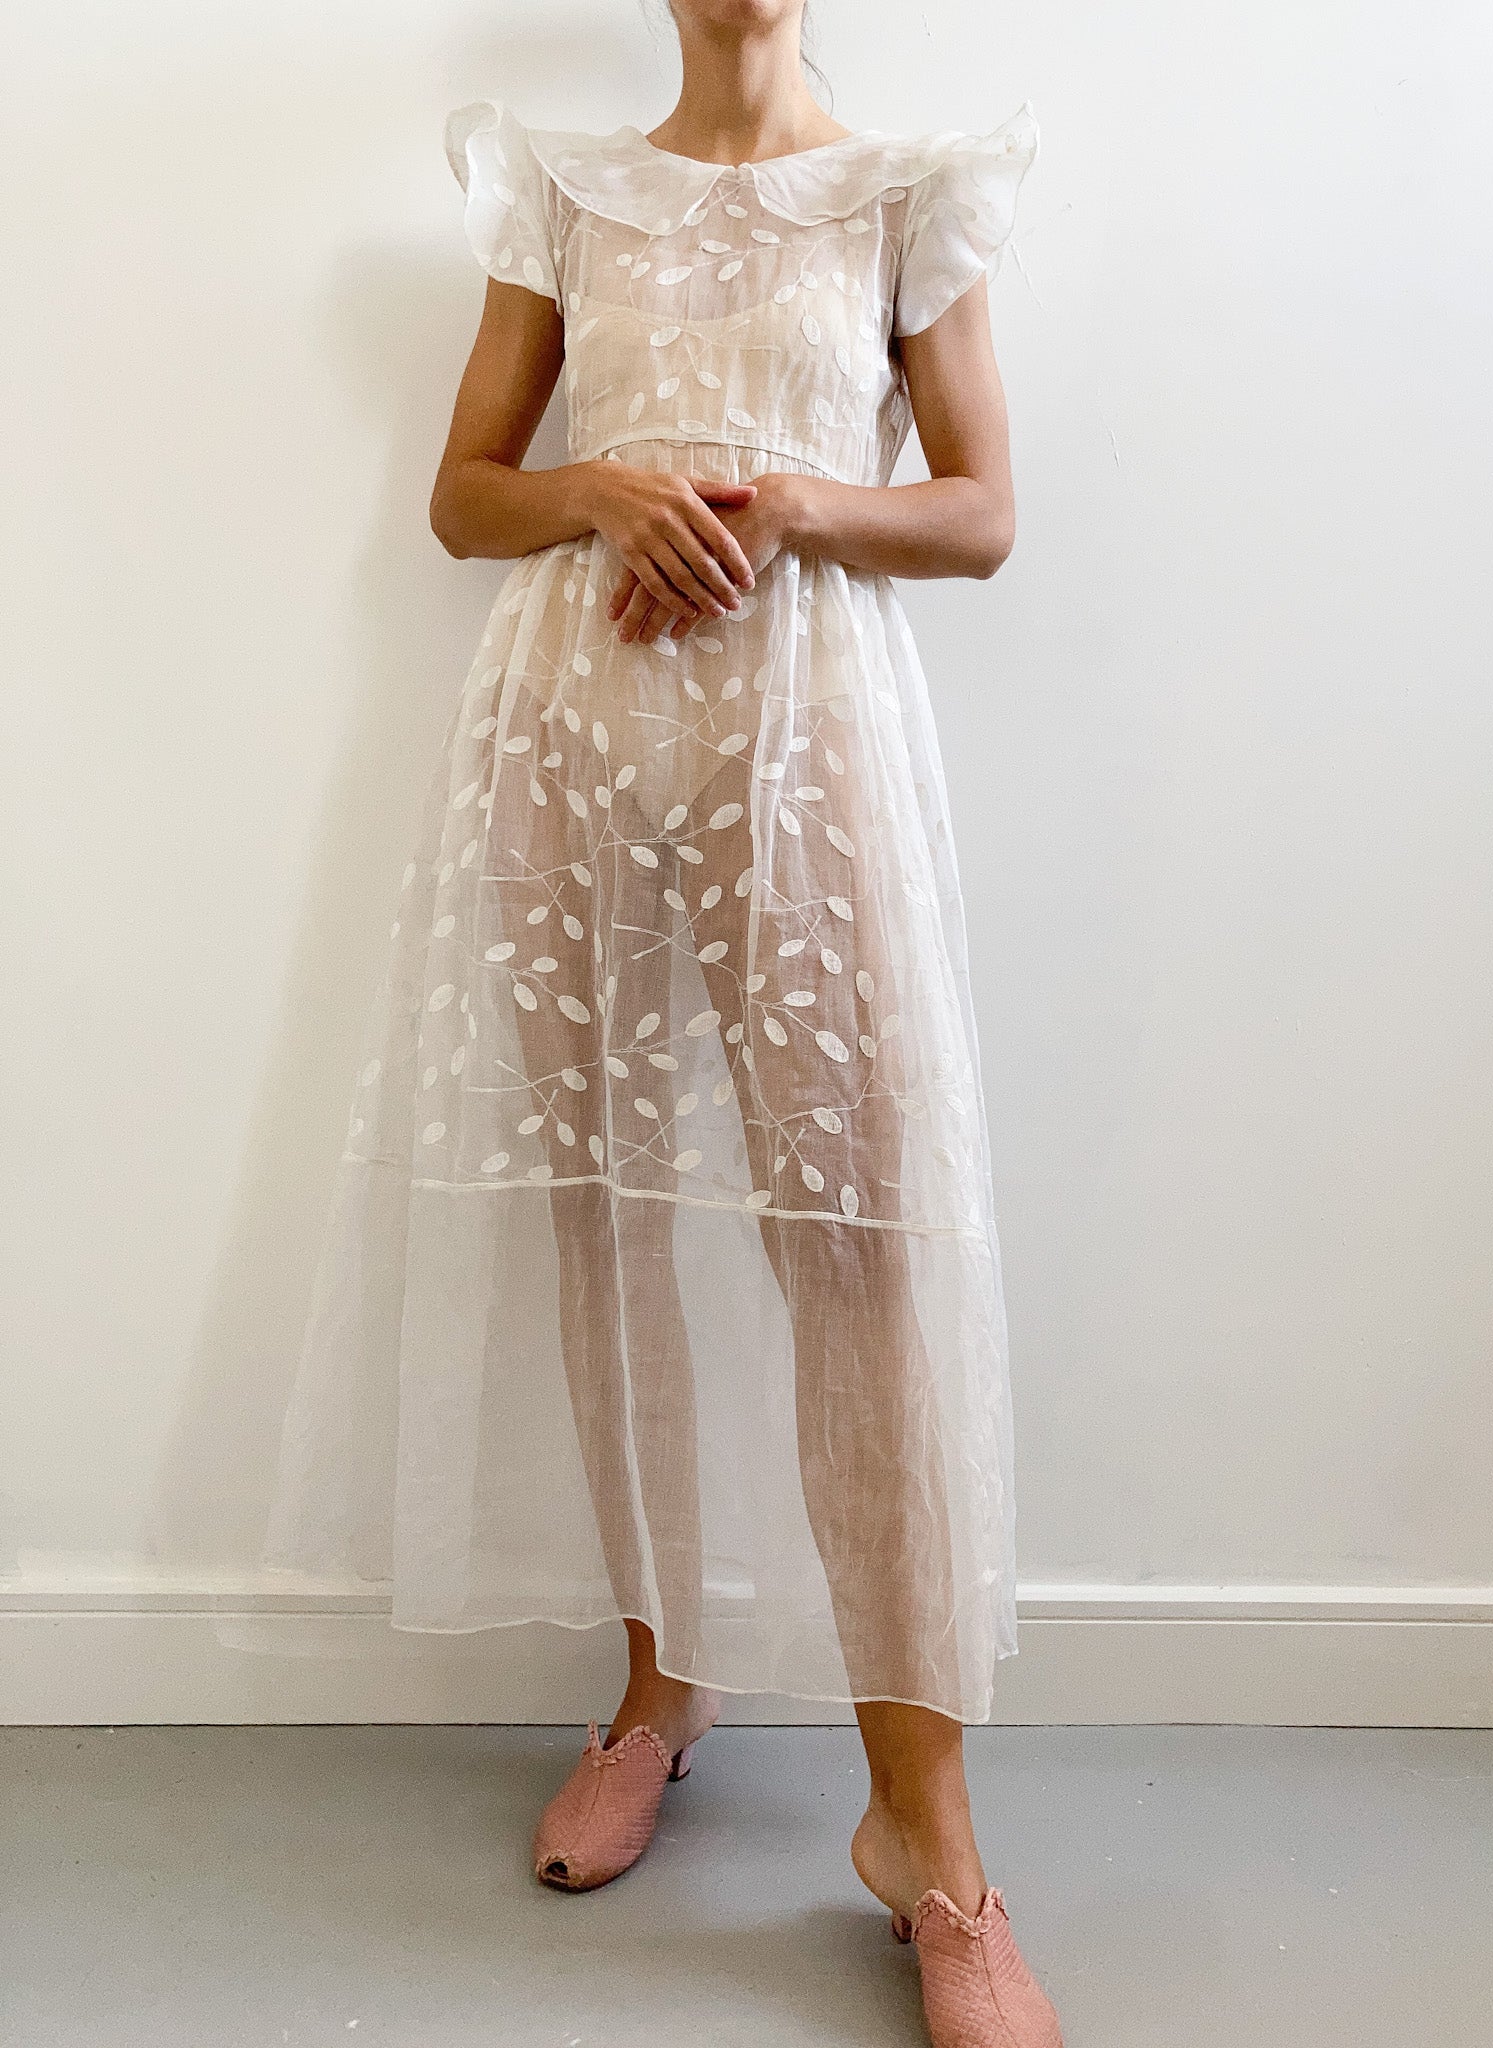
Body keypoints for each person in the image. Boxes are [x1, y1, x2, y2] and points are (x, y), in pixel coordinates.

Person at [263, 3, 1059, 2040]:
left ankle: (927, 1829)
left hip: (812, 742)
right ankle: (657, 1683)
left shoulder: (907, 192)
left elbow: (980, 511)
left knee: (856, 1241)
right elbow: (466, 499)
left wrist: (792, 508)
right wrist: (600, 489)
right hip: (569, 730)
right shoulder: (564, 191)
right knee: (605, 1215)